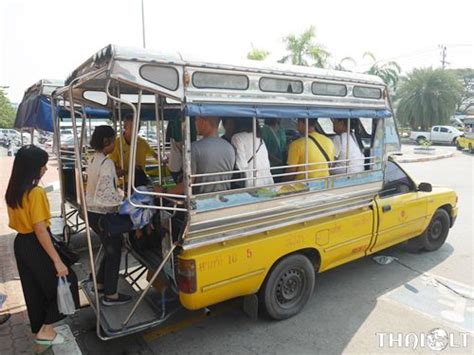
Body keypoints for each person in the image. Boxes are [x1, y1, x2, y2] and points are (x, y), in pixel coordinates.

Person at [5, 145, 79, 346]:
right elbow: (40, 230)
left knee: (34, 288)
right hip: (36, 243)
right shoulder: (35, 192)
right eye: (43, 165)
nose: (45, 169)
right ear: (32, 168)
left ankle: (40, 327)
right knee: (66, 281)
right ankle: (46, 329)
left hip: (21, 243)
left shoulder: (14, 190)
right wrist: (57, 261)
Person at [86, 126, 132, 306]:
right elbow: (106, 194)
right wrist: (121, 200)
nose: (115, 144)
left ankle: (100, 282)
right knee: (114, 250)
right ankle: (111, 294)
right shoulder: (107, 163)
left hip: (91, 212)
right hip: (103, 213)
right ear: (106, 142)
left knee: (109, 247)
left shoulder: (93, 159)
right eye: (113, 140)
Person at [156, 116, 235, 195]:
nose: (195, 123)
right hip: (225, 199)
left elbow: (186, 186)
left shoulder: (194, 148)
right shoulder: (230, 147)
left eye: (196, 120)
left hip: (200, 201)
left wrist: (162, 191)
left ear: (204, 122)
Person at [109, 114, 157, 184]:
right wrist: (125, 171)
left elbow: (155, 155)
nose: (135, 130)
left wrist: (164, 160)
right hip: (123, 183)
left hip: (140, 180)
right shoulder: (116, 143)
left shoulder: (142, 142)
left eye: (137, 128)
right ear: (125, 127)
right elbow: (112, 164)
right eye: (132, 127)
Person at [231, 119, 274, 187]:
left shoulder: (237, 138)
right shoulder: (260, 139)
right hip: (268, 181)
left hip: (253, 182)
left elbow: (241, 165)